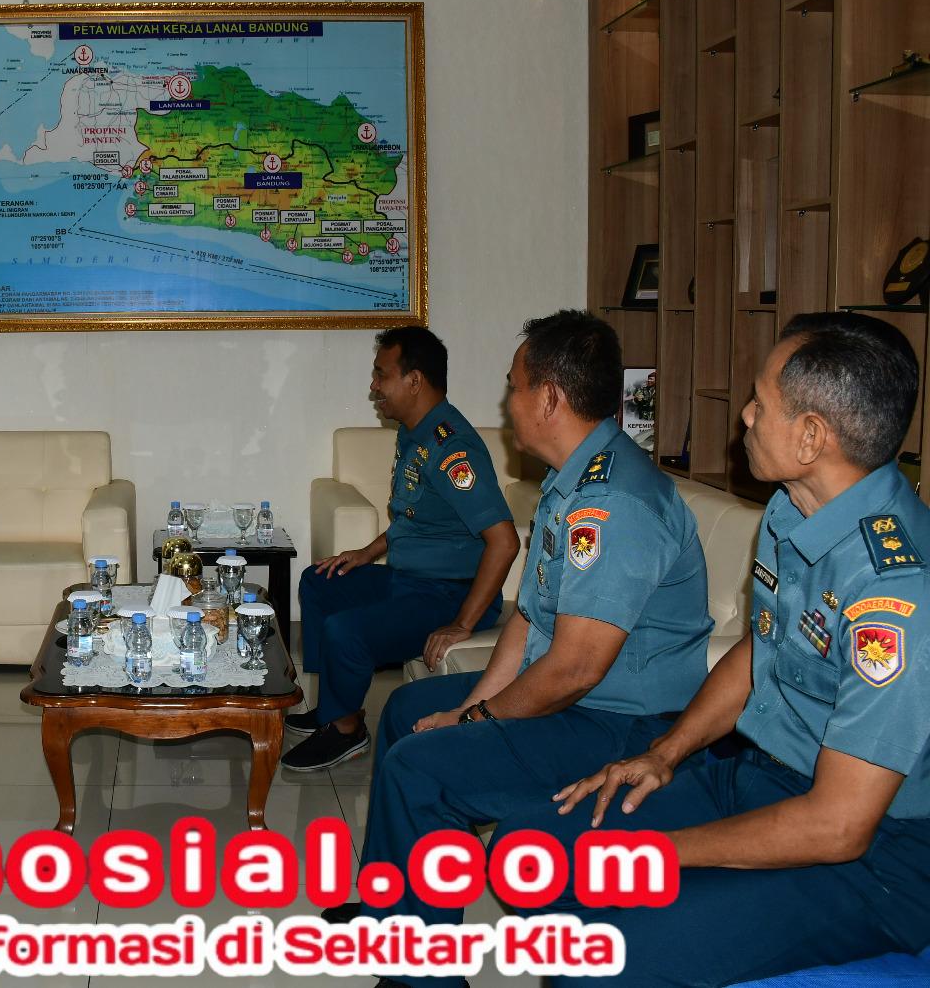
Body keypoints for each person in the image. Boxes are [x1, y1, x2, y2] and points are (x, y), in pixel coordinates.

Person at [511, 312, 930, 986]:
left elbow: (838, 826)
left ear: (811, 436)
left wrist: (660, 853)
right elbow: (761, 651)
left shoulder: (897, 589)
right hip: (760, 778)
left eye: (760, 403)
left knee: (602, 954)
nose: (745, 417)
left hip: (877, 855)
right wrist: (664, 753)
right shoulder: (793, 509)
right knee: (534, 854)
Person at [325, 310, 714, 953]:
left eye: (515, 387)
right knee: (405, 710)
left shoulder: (613, 503)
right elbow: (531, 617)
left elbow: (576, 670)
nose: (507, 404)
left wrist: (475, 719)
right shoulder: (569, 482)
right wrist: (470, 706)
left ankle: (420, 968)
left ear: (550, 398)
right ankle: (393, 905)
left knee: (421, 769)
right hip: (575, 698)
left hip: (621, 722)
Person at [284, 327, 520, 771]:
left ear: (414, 381)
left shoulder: (453, 449)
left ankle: (346, 731)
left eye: (381, 374)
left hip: (450, 593)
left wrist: (462, 623)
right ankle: (336, 706)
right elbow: (414, 517)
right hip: (410, 580)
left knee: (346, 630)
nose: (374, 386)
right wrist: (366, 552)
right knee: (319, 581)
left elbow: (504, 541)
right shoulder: (415, 433)